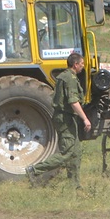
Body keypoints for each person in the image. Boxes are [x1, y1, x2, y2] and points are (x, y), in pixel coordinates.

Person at [26, 51, 92, 189]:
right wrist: (85, 119)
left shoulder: (65, 76)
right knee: (67, 153)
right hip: (65, 118)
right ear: (75, 64)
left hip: (66, 117)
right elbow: (73, 101)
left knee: (76, 152)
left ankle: (74, 184)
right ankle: (34, 170)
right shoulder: (70, 79)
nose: (83, 67)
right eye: (82, 64)